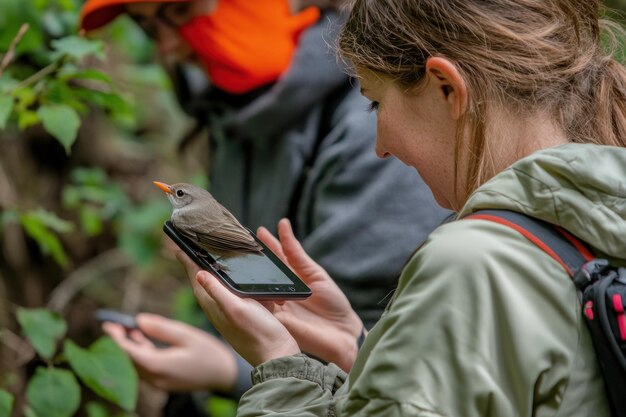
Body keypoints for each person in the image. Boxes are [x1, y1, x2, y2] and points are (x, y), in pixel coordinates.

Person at [175, 0, 626, 415]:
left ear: (446, 87)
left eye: (375, 103)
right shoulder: (594, 218)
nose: (379, 148)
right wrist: (361, 350)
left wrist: (278, 366)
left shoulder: (472, 264)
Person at [78, 0, 448, 413]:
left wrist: (227, 368)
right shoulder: (232, 109)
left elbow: (388, 345)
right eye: (147, 27)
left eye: (180, 10)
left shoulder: (373, 130)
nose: (167, 48)